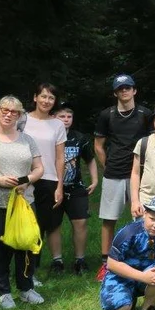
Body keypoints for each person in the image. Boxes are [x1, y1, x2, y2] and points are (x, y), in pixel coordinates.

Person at [0, 96, 45, 309]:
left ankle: (26, 288)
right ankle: (3, 291)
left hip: (22, 203)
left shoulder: (27, 140)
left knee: (27, 246)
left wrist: (26, 181)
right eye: (5, 110)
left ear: (20, 115)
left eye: (14, 111)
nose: (9, 114)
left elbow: (39, 168)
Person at [94, 74, 153, 281]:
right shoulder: (106, 115)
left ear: (134, 90)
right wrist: (107, 165)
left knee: (143, 219)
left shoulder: (145, 114)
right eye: (120, 89)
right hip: (114, 174)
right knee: (108, 220)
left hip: (141, 175)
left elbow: (153, 142)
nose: (124, 91)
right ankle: (105, 263)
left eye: (128, 88)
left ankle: (143, 260)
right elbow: (98, 146)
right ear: (115, 93)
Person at [22, 83, 67, 278]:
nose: (47, 101)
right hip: (24, 179)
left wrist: (59, 185)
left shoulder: (57, 124)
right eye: (43, 96)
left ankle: (31, 270)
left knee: (40, 225)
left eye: (51, 98)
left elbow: (60, 157)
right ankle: (15, 267)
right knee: (22, 225)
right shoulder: (22, 120)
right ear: (35, 97)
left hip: (48, 179)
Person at [53, 103, 97, 275]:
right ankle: (57, 261)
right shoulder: (49, 137)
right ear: (54, 117)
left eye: (69, 116)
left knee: (81, 222)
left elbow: (90, 159)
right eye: (62, 116)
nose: (66, 119)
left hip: (76, 187)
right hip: (53, 187)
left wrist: (94, 180)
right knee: (53, 224)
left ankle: (80, 260)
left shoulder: (80, 138)